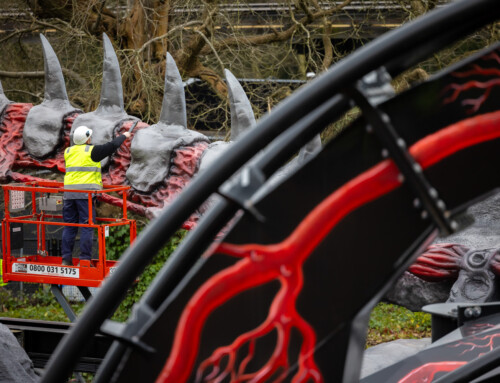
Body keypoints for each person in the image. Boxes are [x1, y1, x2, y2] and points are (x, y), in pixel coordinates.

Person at [62, 125, 131, 266]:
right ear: (87, 139)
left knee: (69, 226)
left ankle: (66, 259)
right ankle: (85, 260)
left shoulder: (68, 151)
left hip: (69, 194)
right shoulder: (91, 151)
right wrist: (125, 136)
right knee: (87, 226)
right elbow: (112, 146)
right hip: (85, 195)